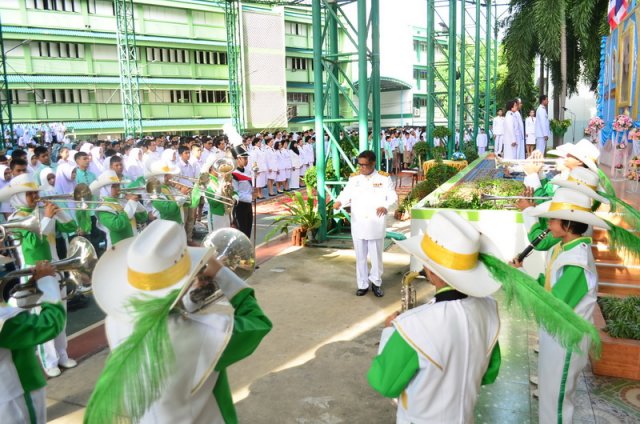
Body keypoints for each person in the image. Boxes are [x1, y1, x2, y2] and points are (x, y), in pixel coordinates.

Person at [85, 220, 272, 424]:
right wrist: (221, 272)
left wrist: (189, 297)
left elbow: (163, 312)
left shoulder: (115, 321)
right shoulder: (204, 335)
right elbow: (257, 322)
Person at [368, 211, 502, 423]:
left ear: (432, 269)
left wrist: (389, 332)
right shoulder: (489, 309)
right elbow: (489, 373)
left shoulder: (413, 326)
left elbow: (385, 383)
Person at [5, 173, 79, 377]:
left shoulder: (41, 210)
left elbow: (71, 227)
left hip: (55, 267)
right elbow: (32, 245)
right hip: (35, 274)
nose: (35, 196)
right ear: (19, 196)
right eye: (30, 194)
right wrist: (47, 217)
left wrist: (59, 212)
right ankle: (49, 361)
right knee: (42, 317)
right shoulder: (16, 219)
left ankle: (62, 354)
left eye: (36, 192)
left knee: (60, 312)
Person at [0, 261, 66, 424]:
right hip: (18, 394)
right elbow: (50, 324)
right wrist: (47, 282)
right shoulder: (4, 323)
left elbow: (12, 312)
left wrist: (32, 284)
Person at [333, 150, 397, 297]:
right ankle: (362, 284)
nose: (362, 168)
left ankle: (376, 283)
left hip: (375, 222)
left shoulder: (383, 178)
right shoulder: (354, 178)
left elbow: (393, 196)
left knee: (376, 256)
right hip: (359, 222)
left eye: (365, 165)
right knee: (360, 257)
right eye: (360, 165)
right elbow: (346, 193)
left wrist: (385, 206)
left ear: (373, 163)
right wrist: (339, 201)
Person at [90, 170, 148, 249]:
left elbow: (143, 217)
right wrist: (131, 203)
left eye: (118, 185)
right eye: (114, 186)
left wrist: (135, 202)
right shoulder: (103, 208)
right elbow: (117, 225)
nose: (118, 188)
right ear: (105, 189)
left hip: (133, 243)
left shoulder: (123, 201)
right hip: (117, 247)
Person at [231, 145, 254, 238]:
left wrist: (253, 191)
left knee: (248, 230)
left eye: (246, 158)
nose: (246, 160)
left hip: (248, 205)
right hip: (239, 206)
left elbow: (247, 188)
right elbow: (235, 194)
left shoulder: (247, 171)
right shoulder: (233, 174)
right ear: (238, 159)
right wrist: (251, 197)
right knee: (241, 232)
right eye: (244, 158)